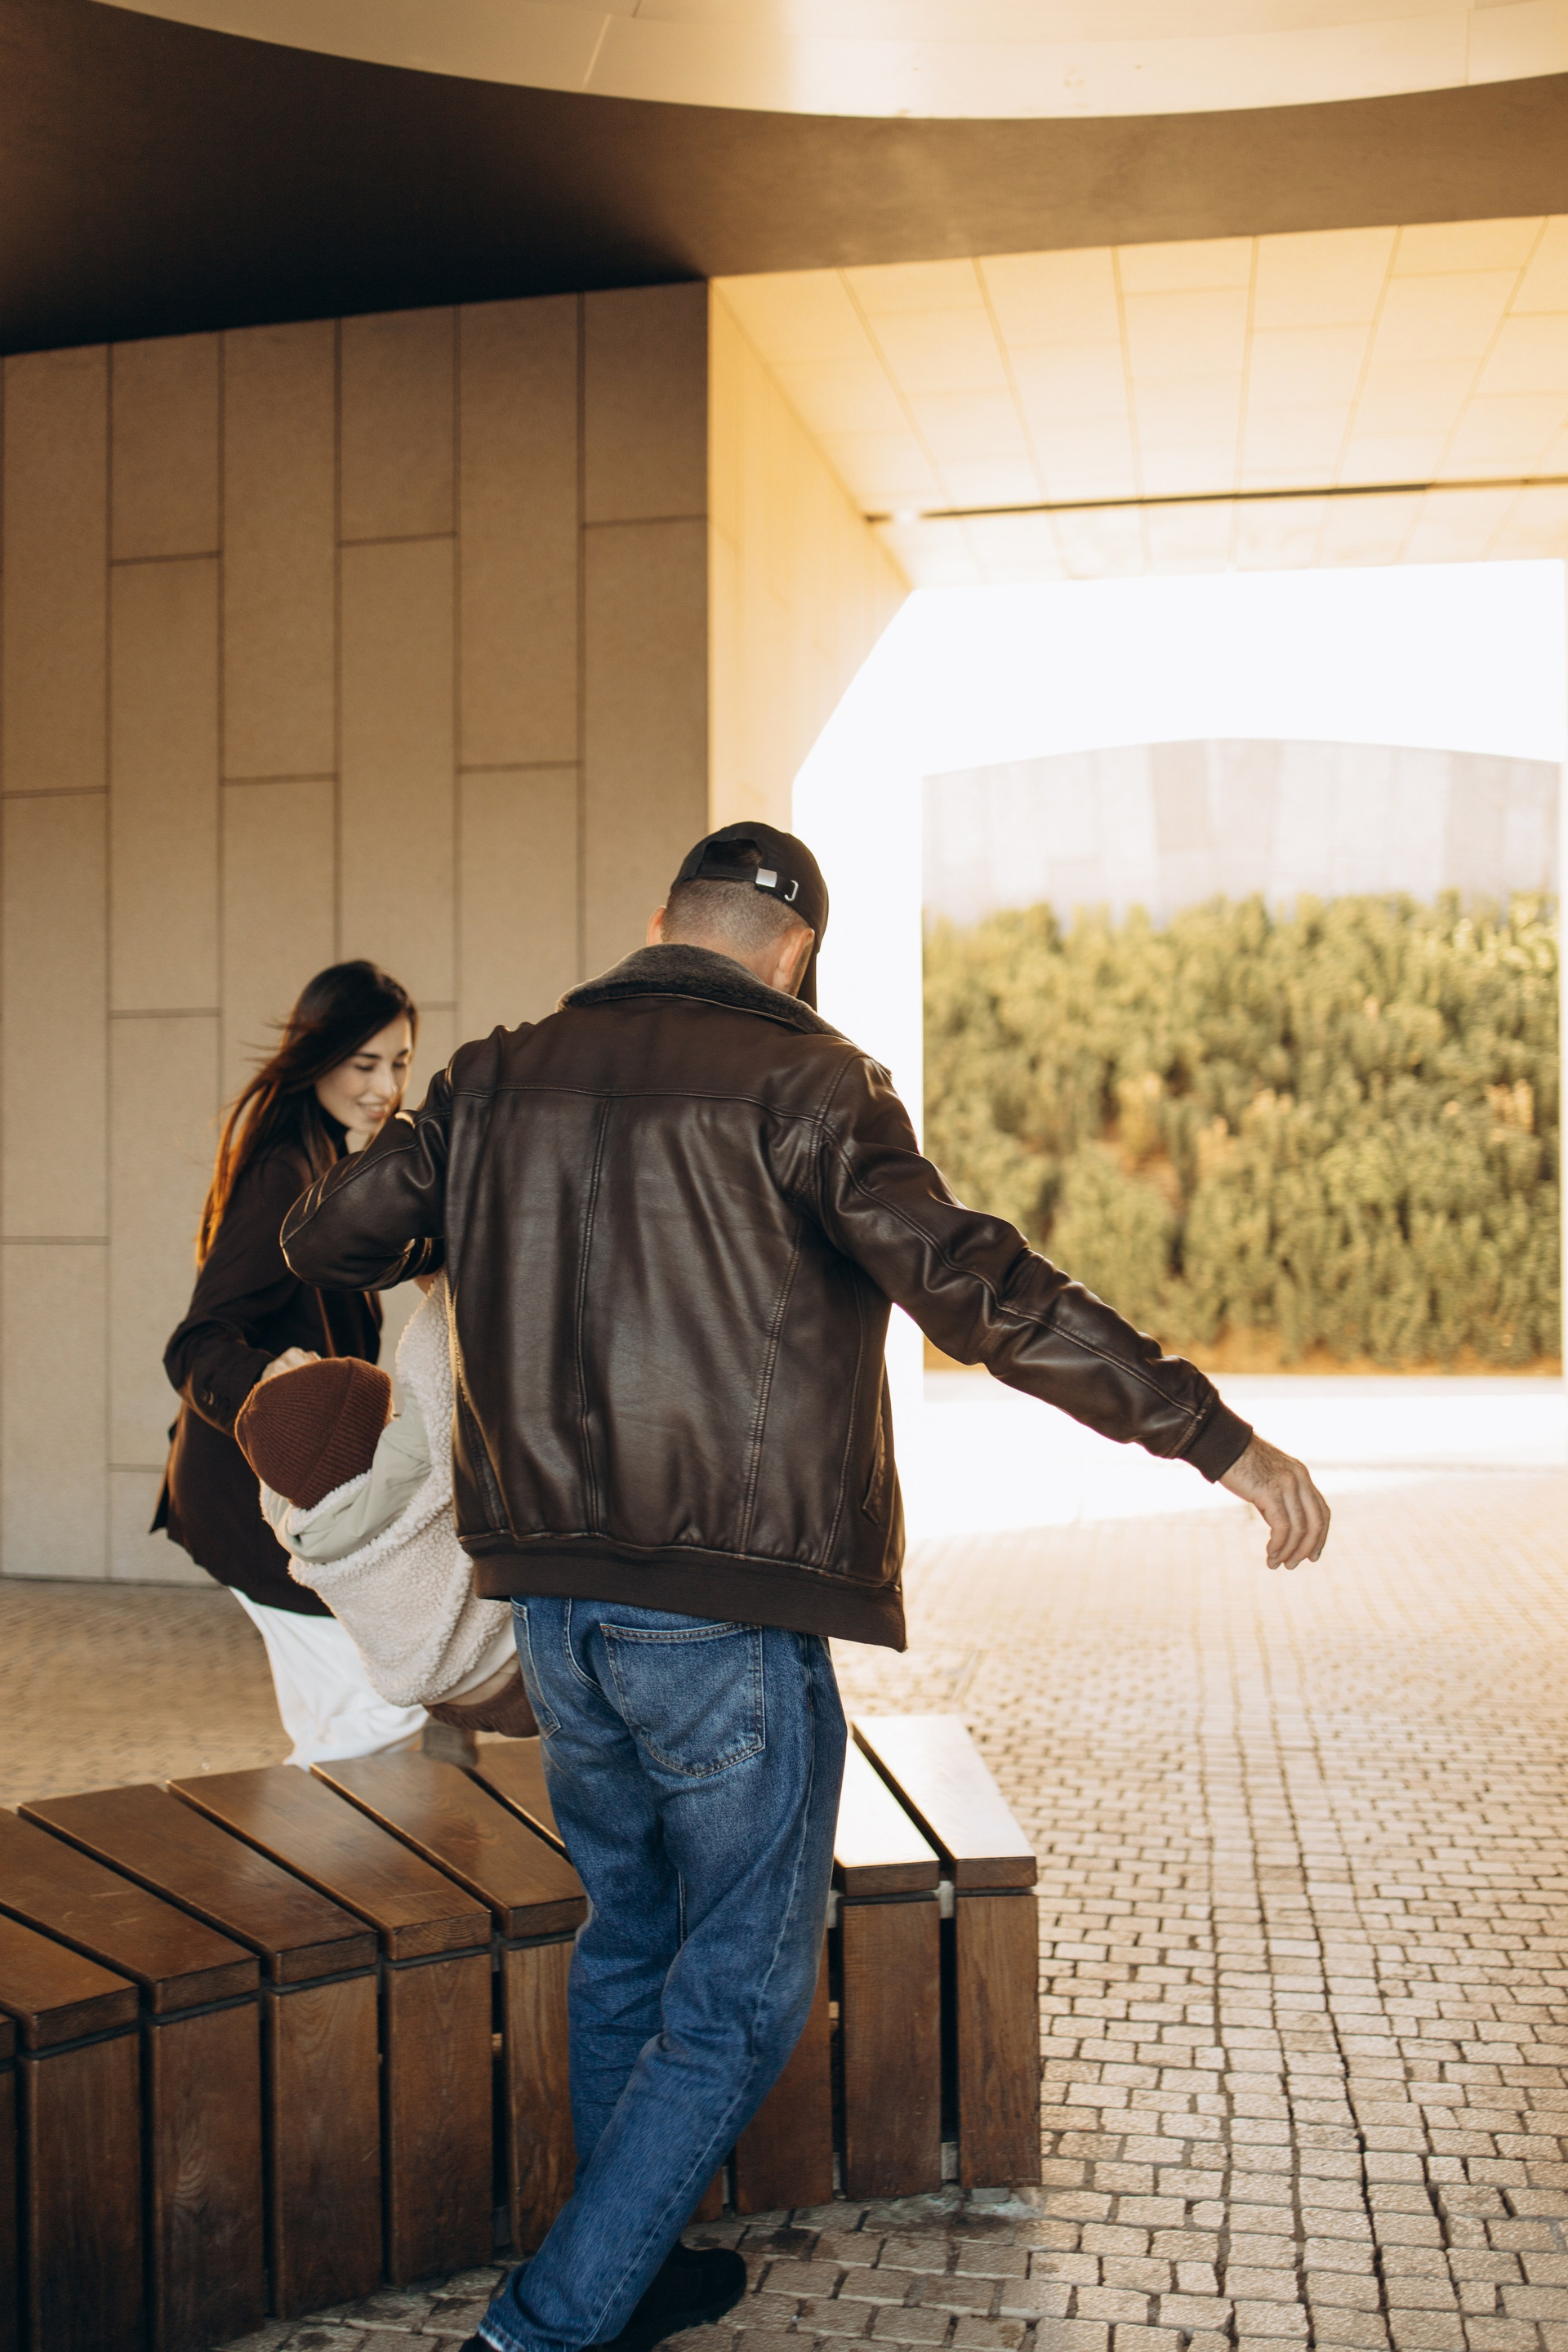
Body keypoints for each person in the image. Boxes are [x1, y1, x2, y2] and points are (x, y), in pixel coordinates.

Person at [280, 822, 1330, 2352]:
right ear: (799, 958)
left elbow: (330, 1237)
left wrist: (474, 1194)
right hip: (731, 1610)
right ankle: (549, 2325)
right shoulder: (816, 1086)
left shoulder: (495, 1077)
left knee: (628, 1941)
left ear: (663, 918)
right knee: (743, 1990)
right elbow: (984, 1290)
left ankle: (636, 2273)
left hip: (553, 1607)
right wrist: (1212, 1436)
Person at [158, 958, 430, 1768]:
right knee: (374, 1715)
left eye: (400, 1062)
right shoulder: (284, 1173)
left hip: (296, 1496)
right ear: (320, 1058)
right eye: (364, 1064)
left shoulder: (327, 1166)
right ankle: (321, 1847)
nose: (386, 1086)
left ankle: (317, 1845)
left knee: (352, 1721)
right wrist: (274, 1382)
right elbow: (197, 1340)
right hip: (248, 1497)